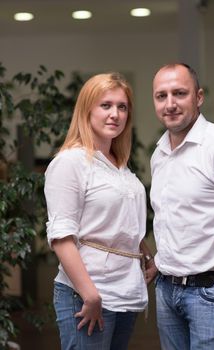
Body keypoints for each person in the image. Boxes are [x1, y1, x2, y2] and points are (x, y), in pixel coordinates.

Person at [44, 72, 156, 350]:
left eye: (122, 107)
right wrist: (90, 295)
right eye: (105, 105)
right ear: (86, 110)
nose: (115, 114)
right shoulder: (70, 162)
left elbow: (116, 220)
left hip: (125, 290)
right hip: (88, 293)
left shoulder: (120, 166)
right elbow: (61, 236)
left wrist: (144, 252)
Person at [150, 63, 214, 350]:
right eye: (161, 96)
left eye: (179, 93)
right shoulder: (159, 153)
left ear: (198, 97)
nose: (170, 104)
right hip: (167, 291)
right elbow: (173, 219)